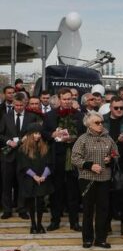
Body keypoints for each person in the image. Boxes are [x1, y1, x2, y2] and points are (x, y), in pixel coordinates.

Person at [70, 111, 117, 249]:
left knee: (103, 209)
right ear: (88, 125)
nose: (100, 125)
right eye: (97, 122)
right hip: (87, 178)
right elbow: (75, 158)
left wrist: (111, 159)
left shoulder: (108, 138)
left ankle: (101, 239)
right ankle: (87, 239)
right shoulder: (83, 139)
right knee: (88, 209)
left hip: (104, 178)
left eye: (101, 122)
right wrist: (90, 166)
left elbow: (116, 154)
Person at [43, 88, 84, 231]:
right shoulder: (49, 116)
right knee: (56, 192)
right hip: (57, 158)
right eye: (64, 99)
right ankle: (55, 221)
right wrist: (53, 134)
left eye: (69, 99)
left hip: (74, 159)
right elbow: (44, 134)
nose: (67, 101)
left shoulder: (79, 116)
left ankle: (74, 222)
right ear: (59, 99)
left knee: (73, 192)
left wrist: (74, 138)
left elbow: (84, 136)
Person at [2, 93, 41, 219]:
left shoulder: (32, 117)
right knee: (6, 183)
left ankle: (22, 209)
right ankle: (7, 209)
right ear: (13, 104)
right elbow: (0, 134)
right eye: (16, 105)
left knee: (23, 183)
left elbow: (36, 134)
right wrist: (8, 141)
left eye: (21, 105)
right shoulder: (5, 117)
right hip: (8, 156)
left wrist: (28, 139)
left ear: (25, 104)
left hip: (25, 155)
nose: (18, 107)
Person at [103, 97, 123, 237]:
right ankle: (106, 223)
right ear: (110, 108)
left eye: (121, 107)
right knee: (107, 195)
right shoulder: (102, 120)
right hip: (107, 162)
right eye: (116, 108)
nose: (119, 110)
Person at [16, 124, 53, 234]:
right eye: (35, 133)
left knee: (40, 202)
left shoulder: (45, 147)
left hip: (42, 179)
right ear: (30, 134)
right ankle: (33, 224)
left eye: (39, 134)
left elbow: (49, 164)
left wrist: (43, 176)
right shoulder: (23, 149)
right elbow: (23, 165)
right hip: (29, 179)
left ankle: (40, 223)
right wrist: (34, 176)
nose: (38, 136)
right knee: (31, 202)